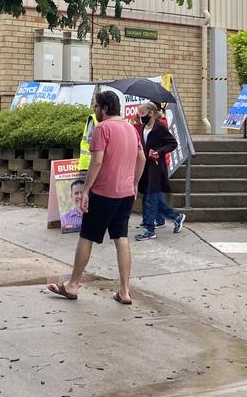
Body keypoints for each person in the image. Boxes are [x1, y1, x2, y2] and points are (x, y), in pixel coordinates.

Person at [47, 90, 145, 305]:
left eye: (96, 106)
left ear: (105, 109)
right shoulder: (131, 128)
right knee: (121, 238)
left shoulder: (103, 128)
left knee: (87, 236)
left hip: (103, 192)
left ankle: (72, 285)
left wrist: (86, 190)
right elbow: (141, 158)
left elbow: (97, 161)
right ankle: (125, 291)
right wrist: (134, 183)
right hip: (126, 193)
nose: (94, 110)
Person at [133, 101, 184, 241]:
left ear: (151, 113)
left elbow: (172, 143)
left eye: (142, 113)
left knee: (150, 198)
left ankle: (150, 229)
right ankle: (176, 216)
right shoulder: (143, 127)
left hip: (156, 167)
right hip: (146, 167)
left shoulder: (159, 127)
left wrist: (158, 152)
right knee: (151, 198)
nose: (140, 115)